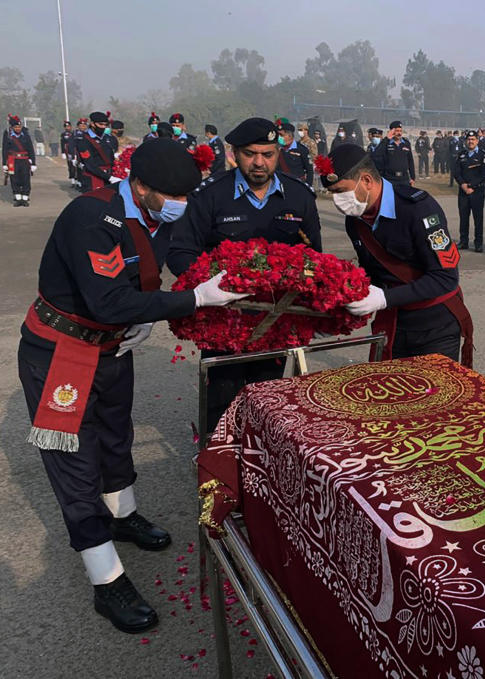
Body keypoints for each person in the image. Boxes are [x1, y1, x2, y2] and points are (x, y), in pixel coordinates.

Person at [17, 139, 247, 634]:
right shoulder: (90, 218)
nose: (180, 206)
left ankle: (123, 516)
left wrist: (143, 316)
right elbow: (108, 302)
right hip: (63, 355)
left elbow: (139, 283)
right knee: (75, 465)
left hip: (111, 348)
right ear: (138, 186)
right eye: (170, 195)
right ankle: (106, 578)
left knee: (115, 436)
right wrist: (194, 300)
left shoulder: (155, 215)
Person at [167, 118, 323, 430]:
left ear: (278, 153)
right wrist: (213, 284)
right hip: (225, 320)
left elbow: (313, 258)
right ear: (234, 153)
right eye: (251, 154)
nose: (259, 162)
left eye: (268, 154)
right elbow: (180, 253)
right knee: (223, 403)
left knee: (272, 401)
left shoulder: (298, 196)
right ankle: (218, 466)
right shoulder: (210, 195)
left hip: (278, 320)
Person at [318, 144, 474, 366]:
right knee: (392, 395)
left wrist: (384, 298)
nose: (337, 200)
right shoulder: (354, 219)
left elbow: (445, 278)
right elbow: (372, 273)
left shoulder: (418, 208)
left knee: (433, 398)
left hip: (435, 326)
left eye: (341, 191)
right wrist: (339, 309)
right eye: (332, 193)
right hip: (393, 324)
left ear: (367, 181)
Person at [452, 130, 485, 252]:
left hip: (477, 191)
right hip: (463, 191)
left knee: (478, 218)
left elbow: (484, 174)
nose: (471, 141)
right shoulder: (461, 155)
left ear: (477, 141)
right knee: (463, 217)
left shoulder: (483, 155)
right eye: (469, 139)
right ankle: (463, 241)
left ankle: (478, 243)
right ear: (465, 141)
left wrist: (472, 187)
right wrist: (463, 185)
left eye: (473, 139)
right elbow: (456, 172)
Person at [75, 111, 117, 192]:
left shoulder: (108, 138)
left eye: (105, 125)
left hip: (109, 176)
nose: (103, 127)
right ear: (92, 124)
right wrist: (109, 178)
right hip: (93, 178)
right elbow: (90, 165)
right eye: (101, 124)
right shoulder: (84, 140)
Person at [3, 115, 36, 207]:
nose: (18, 128)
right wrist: (4, 163)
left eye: (19, 127)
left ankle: (25, 198)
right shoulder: (8, 135)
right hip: (13, 161)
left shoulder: (25, 134)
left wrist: (33, 162)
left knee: (26, 178)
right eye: (16, 127)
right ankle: (18, 198)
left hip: (24, 160)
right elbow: (5, 149)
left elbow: (31, 149)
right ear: (12, 127)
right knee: (14, 179)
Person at [371, 120, 416, 185]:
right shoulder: (386, 143)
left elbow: (410, 160)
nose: (399, 133)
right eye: (397, 131)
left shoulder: (406, 143)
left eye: (400, 131)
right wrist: (387, 139)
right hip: (390, 179)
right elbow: (376, 154)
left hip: (404, 179)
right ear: (392, 131)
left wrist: (412, 177)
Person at [277, 120, 312, 184]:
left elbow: (309, 170)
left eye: (281, 135)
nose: (279, 137)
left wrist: (308, 186)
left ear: (289, 136)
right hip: (281, 185)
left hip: (297, 185)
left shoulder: (302, 150)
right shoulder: (276, 149)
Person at [60, 120, 76, 184]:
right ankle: (73, 180)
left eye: (69, 126)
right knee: (70, 165)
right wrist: (63, 152)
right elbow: (62, 143)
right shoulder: (63, 134)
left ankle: (78, 180)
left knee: (77, 166)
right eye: (66, 127)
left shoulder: (74, 133)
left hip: (75, 150)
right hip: (68, 151)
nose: (68, 128)